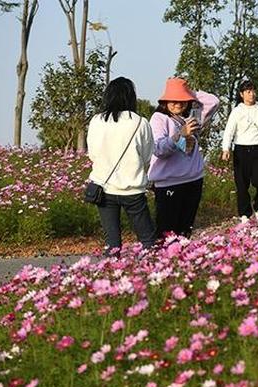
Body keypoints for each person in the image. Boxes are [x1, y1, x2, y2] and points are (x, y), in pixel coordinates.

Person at [86, 77, 156, 256]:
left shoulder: (96, 121)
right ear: (131, 97)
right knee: (147, 239)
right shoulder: (141, 122)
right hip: (133, 190)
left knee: (112, 242)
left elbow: (93, 154)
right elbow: (147, 156)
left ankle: (111, 278)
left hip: (104, 189)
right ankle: (152, 276)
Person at [148, 77, 219, 239]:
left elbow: (213, 102)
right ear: (165, 101)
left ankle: (181, 263)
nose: (178, 104)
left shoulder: (192, 118)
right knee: (166, 232)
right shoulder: (159, 119)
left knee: (185, 231)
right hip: (168, 183)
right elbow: (158, 149)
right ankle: (163, 263)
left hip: (193, 180)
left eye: (182, 100)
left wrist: (189, 91)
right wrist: (180, 134)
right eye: (173, 99)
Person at [221, 80, 258, 220]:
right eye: (248, 91)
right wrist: (226, 148)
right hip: (241, 148)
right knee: (241, 183)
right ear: (242, 94)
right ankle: (245, 214)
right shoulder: (237, 111)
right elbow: (229, 130)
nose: (251, 94)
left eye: (253, 91)